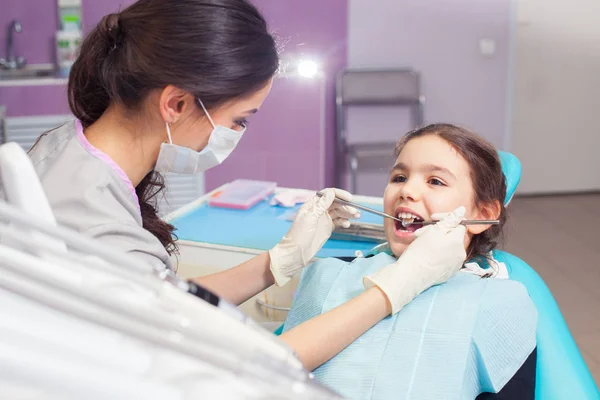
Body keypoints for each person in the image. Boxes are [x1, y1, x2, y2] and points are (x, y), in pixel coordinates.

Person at [27, 0, 467, 371]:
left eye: (435, 180)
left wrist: (279, 261)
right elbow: (255, 365)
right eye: (239, 120)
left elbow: (160, 299)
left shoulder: (66, 149)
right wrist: (400, 285)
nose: (409, 192)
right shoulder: (97, 225)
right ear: (176, 103)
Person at [282, 124, 538, 399]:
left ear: (483, 213)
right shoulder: (327, 273)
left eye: (435, 181)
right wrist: (278, 261)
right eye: (399, 177)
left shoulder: (500, 301)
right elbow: (271, 373)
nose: (407, 191)